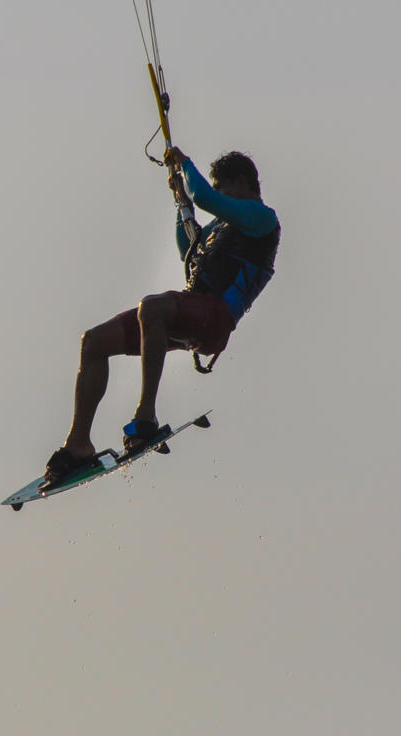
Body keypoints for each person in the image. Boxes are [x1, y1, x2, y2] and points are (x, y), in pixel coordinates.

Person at [40, 146, 281, 488]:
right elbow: (190, 250)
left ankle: (146, 416)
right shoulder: (221, 225)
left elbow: (207, 199)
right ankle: (77, 443)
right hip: (188, 310)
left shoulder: (262, 218)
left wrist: (185, 165)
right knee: (93, 342)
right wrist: (181, 200)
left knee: (151, 307)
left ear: (243, 182)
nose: (219, 196)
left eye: (223, 188)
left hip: (216, 319)